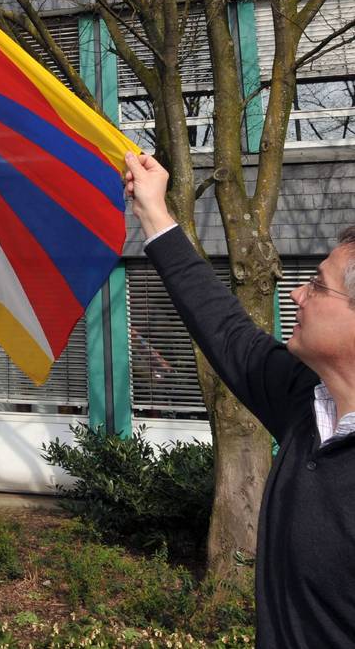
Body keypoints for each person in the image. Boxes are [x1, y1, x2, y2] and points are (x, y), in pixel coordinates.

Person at [124, 151, 355, 648]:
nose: (296, 294)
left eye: (318, 286)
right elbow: (225, 329)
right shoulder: (306, 404)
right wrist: (154, 215)